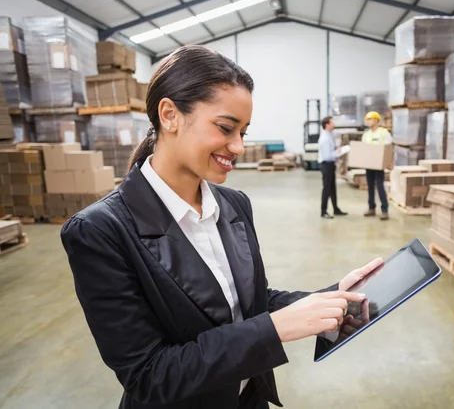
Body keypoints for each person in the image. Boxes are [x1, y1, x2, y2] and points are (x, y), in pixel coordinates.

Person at [60, 45, 383, 409]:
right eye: (226, 128)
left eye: (244, 131)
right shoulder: (100, 231)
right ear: (170, 115)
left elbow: (249, 302)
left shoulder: (233, 204)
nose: (240, 147)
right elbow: (149, 375)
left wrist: (329, 298)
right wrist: (273, 331)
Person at [361, 111, 392, 221]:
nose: (368, 122)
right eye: (367, 120)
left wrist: (389, 162)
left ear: (376, 120)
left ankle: (384, 210)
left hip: (379, 164)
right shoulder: (366, 134)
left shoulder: (384, 133)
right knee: (370, 186)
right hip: (369, 164)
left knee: (379, 186)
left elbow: (389, 149)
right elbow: (363, 149)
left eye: (370, 119)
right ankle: (371, 208)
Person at [317, 116, 347, 219]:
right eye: (332, 122)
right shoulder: (325, 139)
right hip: (326, 164)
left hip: (330, 164)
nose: (334, 124)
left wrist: (337, 148)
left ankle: (335, 208)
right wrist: (338, 152)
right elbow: (327, 155)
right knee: (327, 188)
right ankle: (323, 211)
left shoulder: (329, 135)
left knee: (332, 188)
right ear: (327, 125)